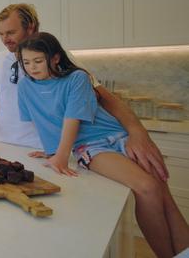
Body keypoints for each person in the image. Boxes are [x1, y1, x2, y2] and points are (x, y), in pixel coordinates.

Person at [16, 32, 189, 258]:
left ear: (55, 58)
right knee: (148, 188)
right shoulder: (25, 87)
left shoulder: (77, 77)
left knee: (163, 191)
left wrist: (59, 154)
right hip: (91, 147)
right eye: (26, 62)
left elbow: (72, 118)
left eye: (38, 61)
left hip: (119, 135)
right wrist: (55, 153)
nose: (32, 67)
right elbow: (43, 121)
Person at [0, 3, 168, 181]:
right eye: (1, 34)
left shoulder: (57, 59)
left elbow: (105, 98)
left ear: (31, 28)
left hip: (46, 149)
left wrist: (137, 132)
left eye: (11, 32)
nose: (5, 40)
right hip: (6, 145)